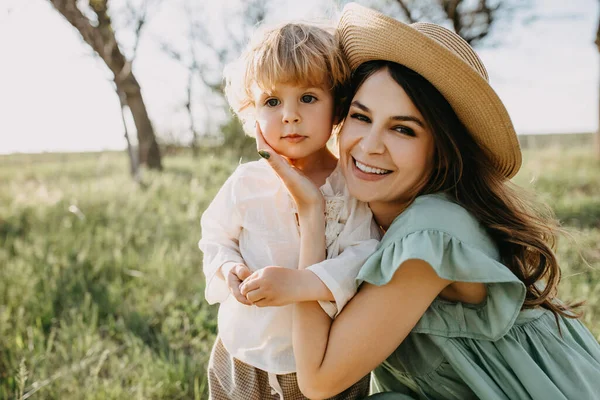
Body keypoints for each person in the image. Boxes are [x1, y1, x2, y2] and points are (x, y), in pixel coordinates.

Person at [248, 3, 600, 399]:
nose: (370, 145)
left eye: (402, 129)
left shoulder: (430, 234)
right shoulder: (366, 215)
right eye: (361, 118)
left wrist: (311, 215)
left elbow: (318, 381)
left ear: (442, 150)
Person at [199, 21, 380, 399]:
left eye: (308, 98)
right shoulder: (247, 182)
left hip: (318, 360)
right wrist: (229, 267)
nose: (290, 115)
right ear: (253, 113)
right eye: (272, 101)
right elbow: (216, 236)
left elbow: (362, 257)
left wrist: (301, 285)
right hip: (245, 349)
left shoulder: (349, 186)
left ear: (337, 108)